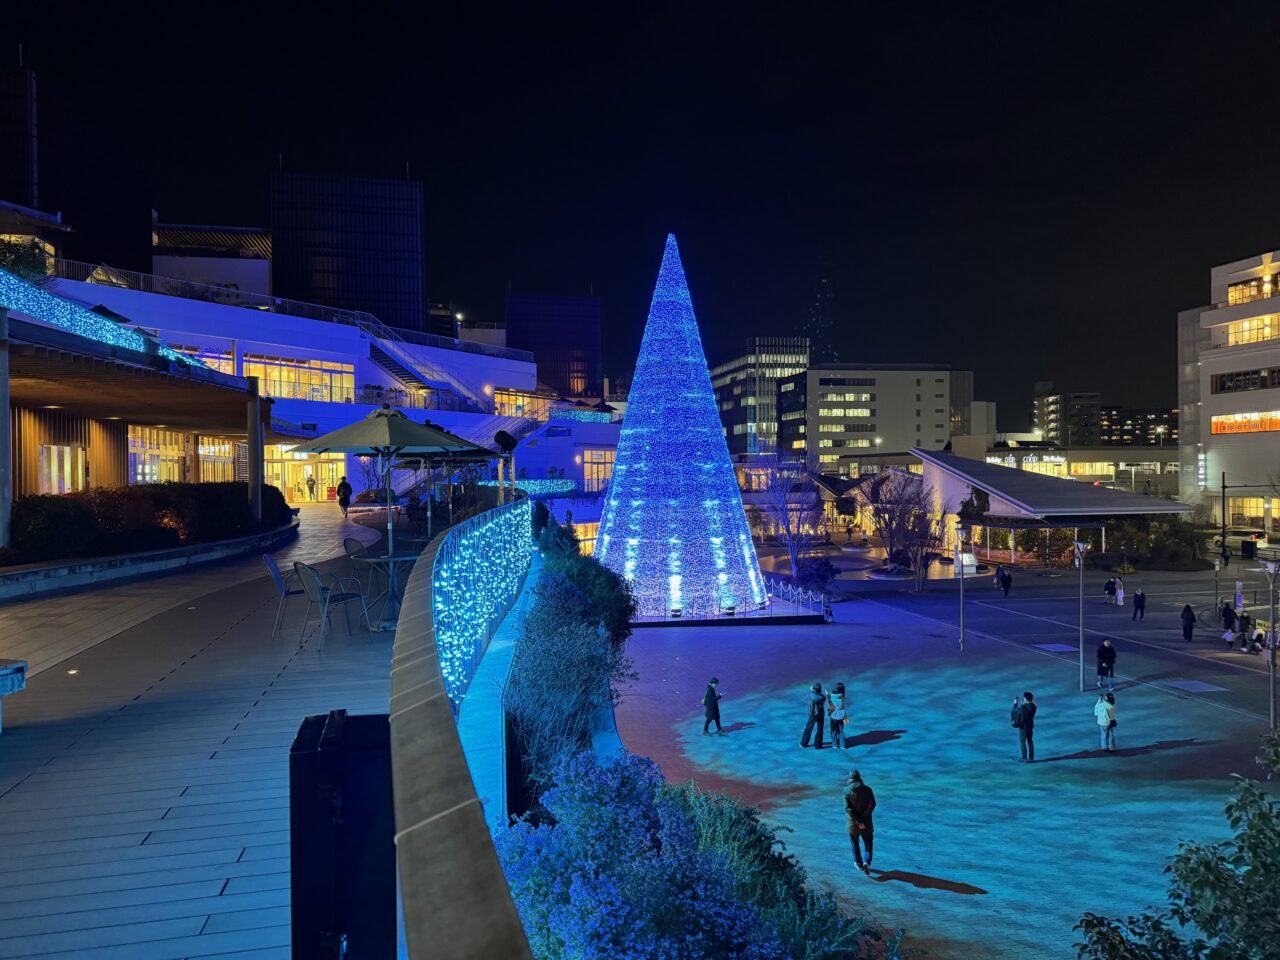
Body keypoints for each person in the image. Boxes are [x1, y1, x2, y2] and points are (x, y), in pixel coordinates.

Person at [843, 770, 877, 875]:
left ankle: (858, 863)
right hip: (866, 823)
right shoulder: (868, 789)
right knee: (868, 843)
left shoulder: (846, 791)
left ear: (850, 778)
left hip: (853, 824)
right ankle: (867, 862)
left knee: (855, 843)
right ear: (859, 778)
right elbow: (872, 804)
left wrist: (858, 820)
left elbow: (848, 809)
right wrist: (863, 819)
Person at [1011, 691, 1037, 762]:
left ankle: (1024, 758)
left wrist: (1015, 704)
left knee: (1022, 742)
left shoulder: (1022, 707)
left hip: (1023, 727)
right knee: (1030, 741)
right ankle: (1031, 758)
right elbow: (1028, 710)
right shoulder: (1034, 706)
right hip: (1030, 726)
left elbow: (1014, 711)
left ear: (1025, 698)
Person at [801, 683, 827, 749]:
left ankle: (803, 743)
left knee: (808, 728)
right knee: (820, 729)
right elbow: (824, 698)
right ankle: (818, 745)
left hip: (812, 714)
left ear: (814, 689)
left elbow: (805, 700)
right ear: (820, 690)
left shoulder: (809, 695)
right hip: (820, 714)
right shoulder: (822, 697)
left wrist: (811, 691)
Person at [827, 682, 848, 749]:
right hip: (842, 716)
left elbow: (830, 705)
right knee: (841, 731)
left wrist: (827, 696)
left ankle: (835, 744)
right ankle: (842, 745)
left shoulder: (831, 698)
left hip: (834, 716)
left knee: (833, 730)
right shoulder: (842, 697)